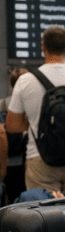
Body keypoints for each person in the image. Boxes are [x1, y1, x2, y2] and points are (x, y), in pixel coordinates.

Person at [5, 26, 65, 195]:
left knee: (42, 210)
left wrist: (35, 121)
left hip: (40, 158)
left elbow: (12, 126)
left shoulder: (25, 81)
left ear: (43, 46)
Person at [0, 68, 29, 203]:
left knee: (10, 196)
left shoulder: (2, 104)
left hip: (7, 159)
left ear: (11, 84)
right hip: (25, 158)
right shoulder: (30, 104)